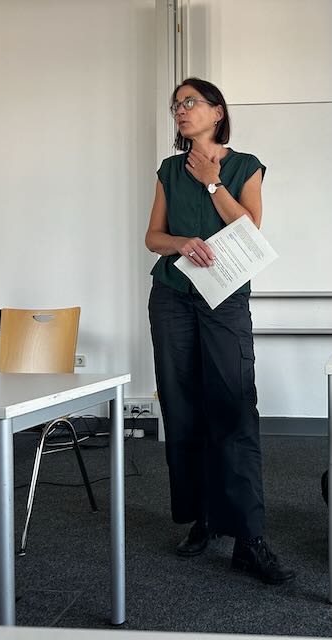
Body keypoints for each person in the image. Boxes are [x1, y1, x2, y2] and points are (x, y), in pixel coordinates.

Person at [145, 77, 294, 585]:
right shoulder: (169, 170)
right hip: (172, 297)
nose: (180, 110)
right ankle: (203, 518)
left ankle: (249, 538)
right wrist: (180, 242)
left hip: (225, 298)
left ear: (217, 111)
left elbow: (250, 230)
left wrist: (213, 182)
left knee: (233, 408)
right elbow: (153, 237)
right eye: (176, 105)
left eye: (190, 102)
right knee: (182, 408)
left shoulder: (245, 165)